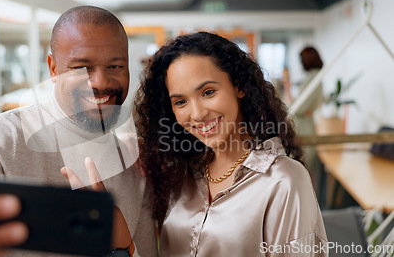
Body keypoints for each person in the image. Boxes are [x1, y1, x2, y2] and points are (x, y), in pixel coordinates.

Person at [0, 6, 157, 257]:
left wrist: (124, 248)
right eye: (81, 67)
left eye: (115, 66)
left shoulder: (135, 164)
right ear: (53, 69)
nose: (99, 82)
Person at [134, 32, 327, 256]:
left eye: (208, 92)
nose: (197, 114)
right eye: (180, 102)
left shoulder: (283, 180)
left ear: (238, 86)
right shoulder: (180, 173)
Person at [284, 46, 324, 183]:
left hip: (303, 126)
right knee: (306, 171)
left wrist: (288, 89)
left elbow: (297, 108)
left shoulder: (312, 78)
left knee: (304, 171)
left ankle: (307, 203)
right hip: (306, 124)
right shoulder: (316, 77)